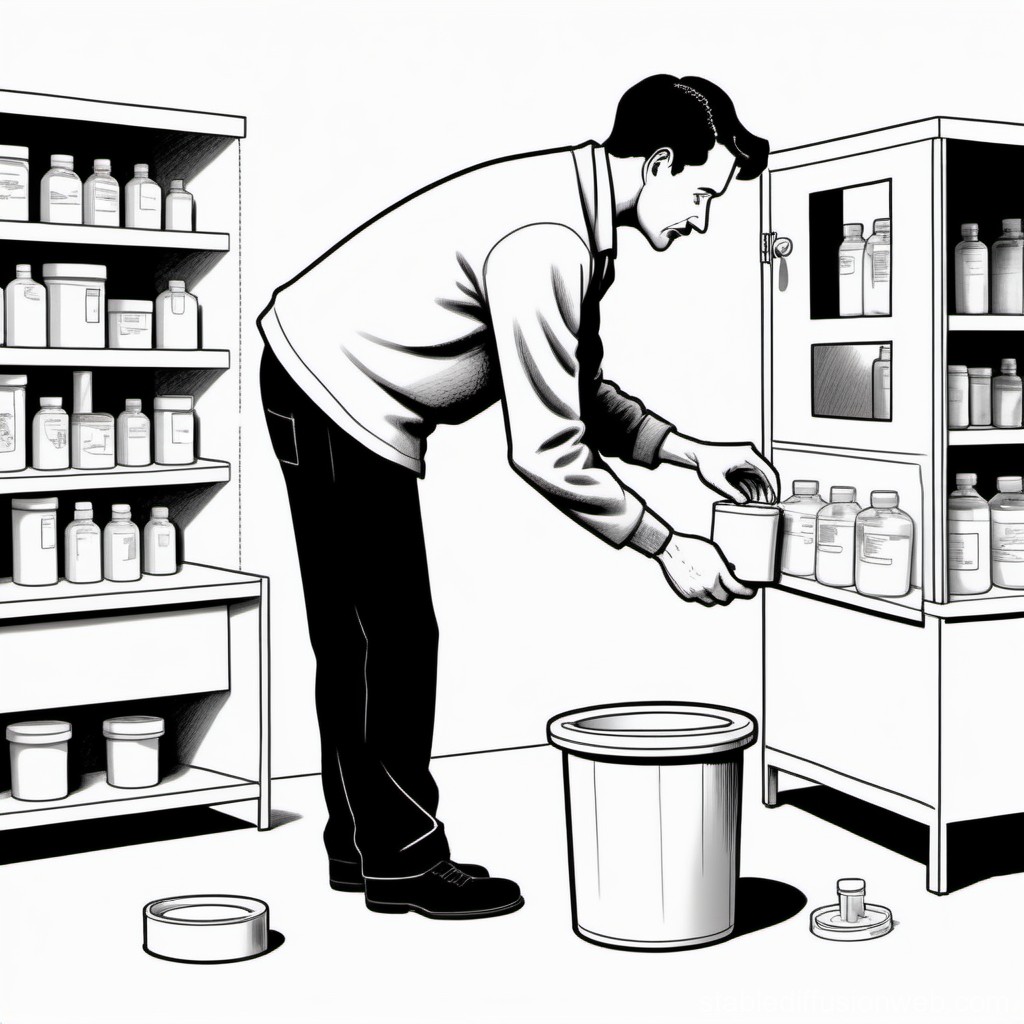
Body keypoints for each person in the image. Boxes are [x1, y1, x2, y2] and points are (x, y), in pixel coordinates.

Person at [258, 74, 777, 920]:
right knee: (386, 632)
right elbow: (546, 448)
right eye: (703, 193)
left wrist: (687, 454)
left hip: (323, 377)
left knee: (361, 634)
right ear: (657, 163)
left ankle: (362, 847)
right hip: (335, 389)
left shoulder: (585, 228)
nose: (702, 217)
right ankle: (401, 863)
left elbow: (577, 389)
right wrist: (665, 544)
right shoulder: (551, 240)